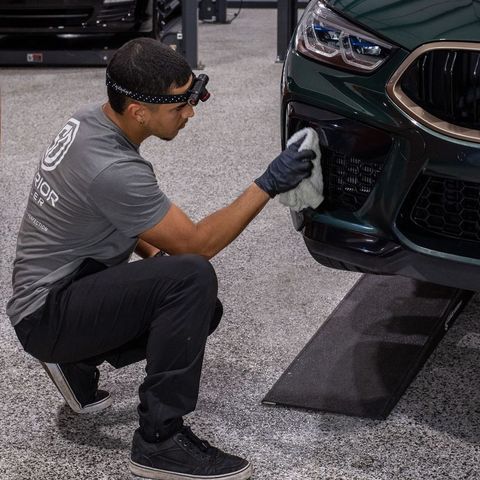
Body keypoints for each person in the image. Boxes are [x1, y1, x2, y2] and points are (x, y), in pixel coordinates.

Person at [6, 38, 315, 480]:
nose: (189, 114)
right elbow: (196, 245)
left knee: (197, 304)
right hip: (48, 314)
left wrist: (159, 265)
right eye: (179, 107)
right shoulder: (113, 169)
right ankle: (159, 442)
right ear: (138, 111)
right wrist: (267, 183)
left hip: (53, 291)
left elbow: (122, 222)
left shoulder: (88, 121)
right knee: (191, 277)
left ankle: (76, 360)